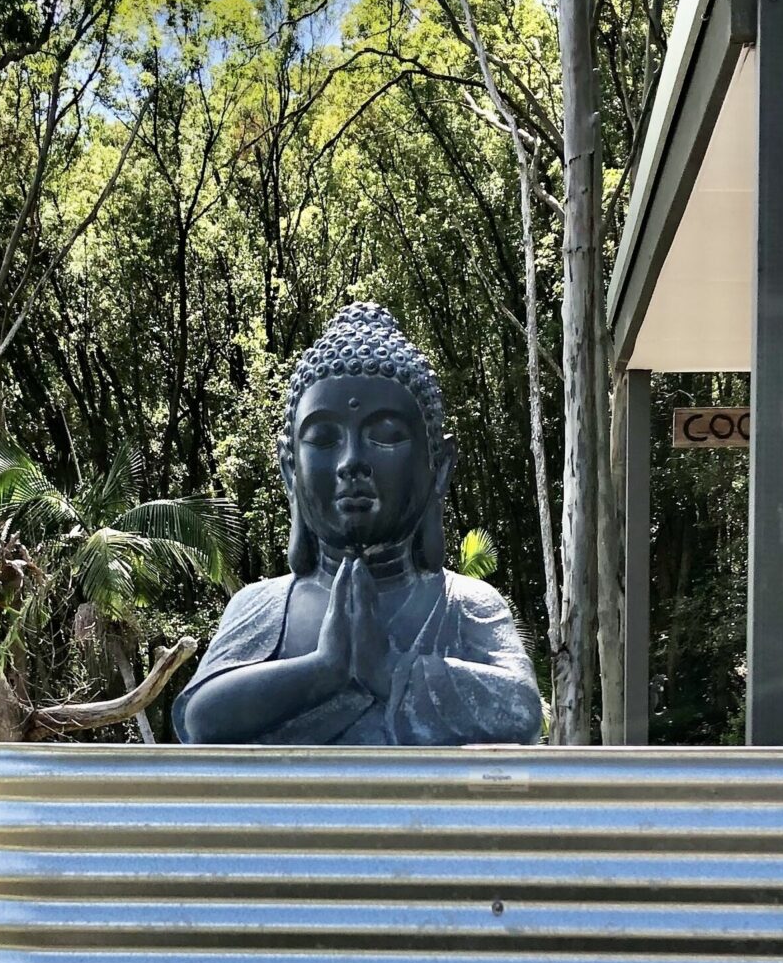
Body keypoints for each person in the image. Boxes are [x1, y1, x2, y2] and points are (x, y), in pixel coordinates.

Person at [172, 303, 545, 746]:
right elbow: (200, 719)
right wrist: (323, 669)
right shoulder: (265, 606)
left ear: (438, 468)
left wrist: (386, 670)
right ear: (290, 469)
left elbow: (521, 709)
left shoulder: (464, 603)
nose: (352, 462)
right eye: (324, 439)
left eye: (385, 436)